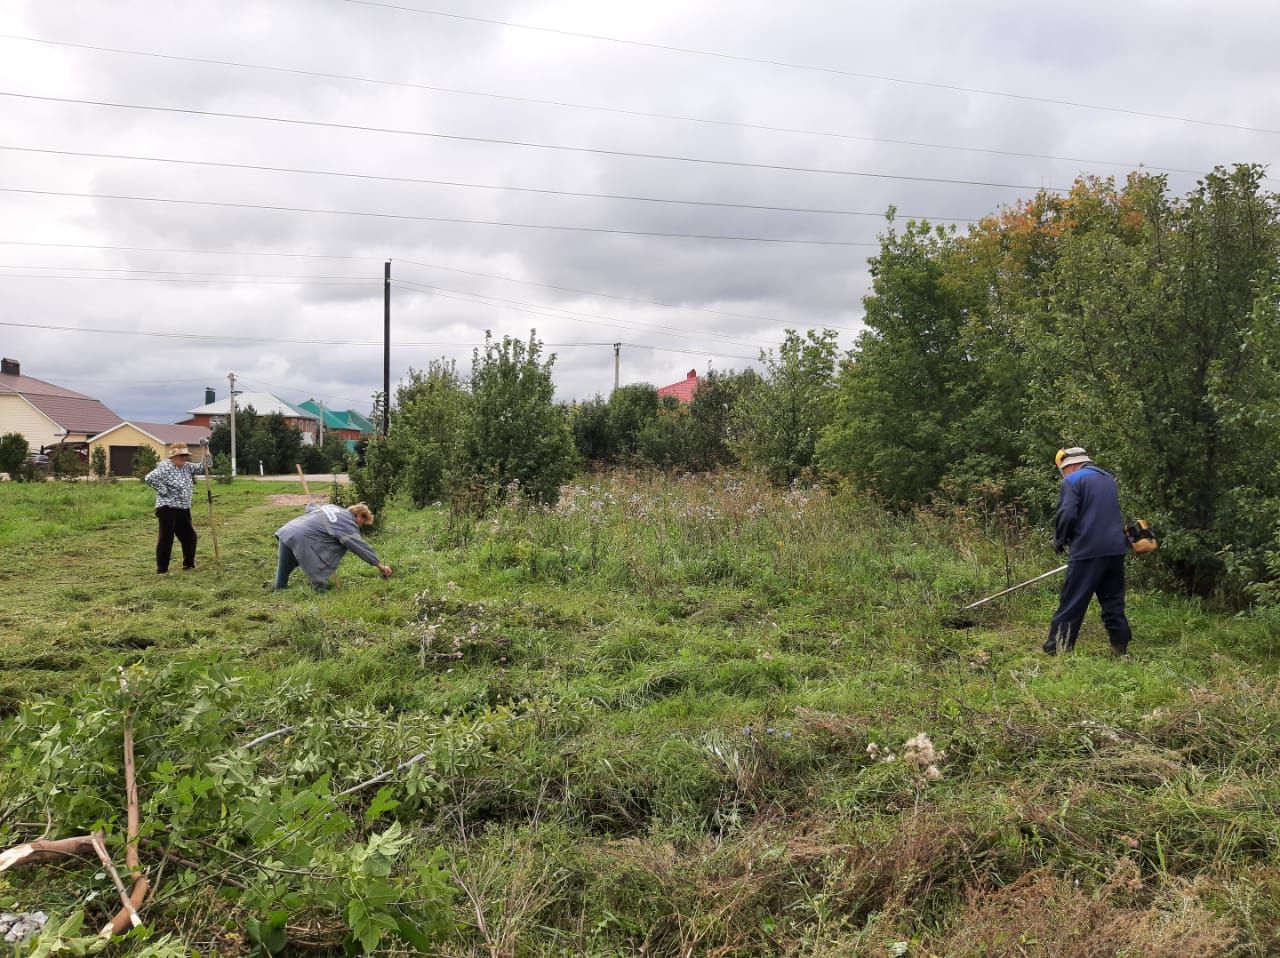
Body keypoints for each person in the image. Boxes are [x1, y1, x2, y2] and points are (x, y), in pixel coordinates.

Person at [1044, 447, 1133, 656]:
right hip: (1115, 549)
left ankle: (1056, 650)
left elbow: (1067, 513)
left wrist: (1059, 539)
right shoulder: (1108, 478)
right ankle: (1120, 647)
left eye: (1064, 471)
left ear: (1070, 466)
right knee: (1113, 600)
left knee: (1072, 601)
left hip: (1088, 550)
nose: (1064, 475)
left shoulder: (1073, 481)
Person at [273, 502, 393, 591]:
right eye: (362, 523)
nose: (360, 526)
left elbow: (310, 507)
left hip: (288, 530)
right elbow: (360, 547)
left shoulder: (332, 507)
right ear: (360, 515)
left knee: (284, 566)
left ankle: (279, 590)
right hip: (303, 539)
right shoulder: (347, 523)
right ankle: (319, 593)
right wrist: (379, 565)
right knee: (318, 563)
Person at [143, 444, 208, 574]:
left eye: (185, 456)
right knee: (166, 538)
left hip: (183, 507)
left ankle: (188, 565)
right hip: (167, 507)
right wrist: (164, 490)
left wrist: (206, 450)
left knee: (190, 537)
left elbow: (204, 467)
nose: (184, 458)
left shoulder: (187, 467)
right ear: (173, 456)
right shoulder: (165, 466)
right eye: (181, 456)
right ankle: (162, 570)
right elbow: (149, 478)